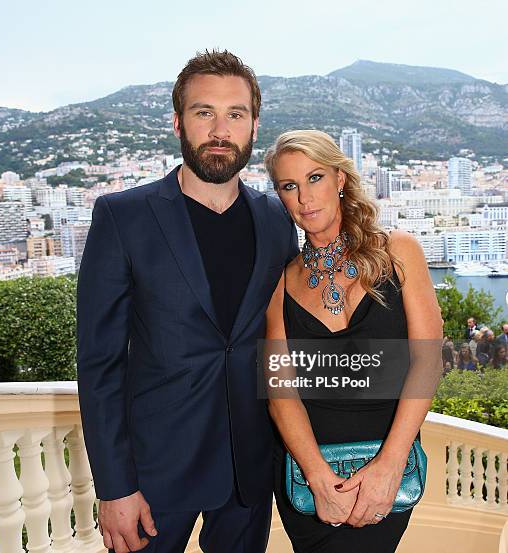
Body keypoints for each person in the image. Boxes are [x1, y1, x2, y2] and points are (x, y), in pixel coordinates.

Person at [76, 50, 298, 553]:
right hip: (153, 477)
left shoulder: (276, 219)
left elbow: (287, 339)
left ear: (254, 126)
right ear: (178, 122)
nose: (220, 129)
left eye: (235, 114)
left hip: (249, 471)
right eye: (204, 113)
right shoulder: (122, 216)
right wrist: (115, 487)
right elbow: (99, 365)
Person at [263, 130, 443, 553]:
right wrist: (317, 477)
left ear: (340, 180)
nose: (305, 197)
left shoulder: (399, 251)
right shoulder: (279, 282)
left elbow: (428, 363)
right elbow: (279, 392)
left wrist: (390, 465)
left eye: (315, 178)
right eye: (289, 186)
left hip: (387, 471)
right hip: (307, 480)